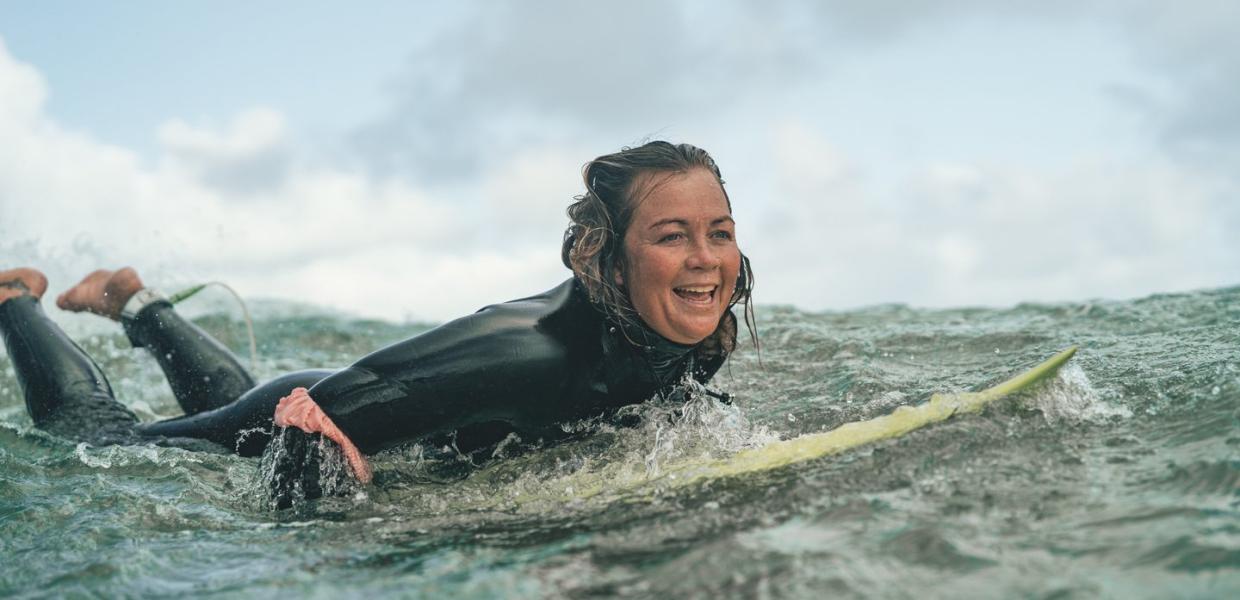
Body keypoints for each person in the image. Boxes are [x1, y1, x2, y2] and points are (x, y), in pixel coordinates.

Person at [0, 141, 756, 495]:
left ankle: (135, 300)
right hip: (326, 407)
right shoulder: (530, 356)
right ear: (607, 255)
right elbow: (315, 420)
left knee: (231, 410)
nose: (706, 260)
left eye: (718, 232)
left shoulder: (687, 320)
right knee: (97, 438)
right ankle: (16, 300)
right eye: (671, 235)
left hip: (336, 401)